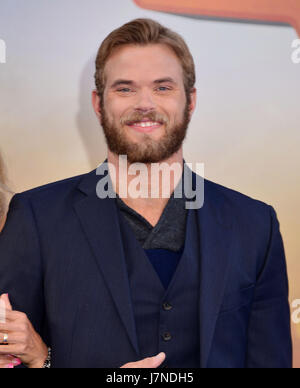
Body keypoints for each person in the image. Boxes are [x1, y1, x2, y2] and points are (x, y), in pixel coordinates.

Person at [0, 19, 292, 368]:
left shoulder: (255, 224)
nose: (144, 103)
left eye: (163, 87)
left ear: (191, 101)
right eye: (124, 89)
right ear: (97, 103)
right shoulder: (36, 217)